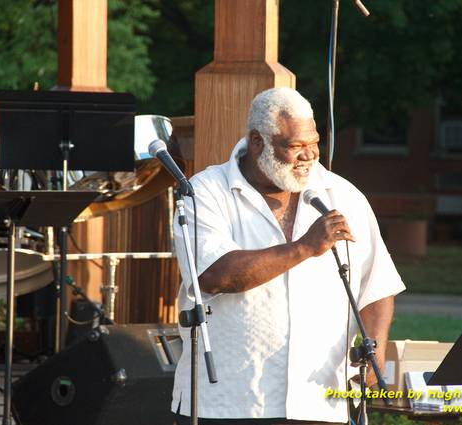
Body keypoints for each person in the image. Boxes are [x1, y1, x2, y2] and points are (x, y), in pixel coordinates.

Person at [172, 87, 405, 424]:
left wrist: (376, 349)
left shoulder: (344, 194)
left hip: (320, 399)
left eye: (313, 143)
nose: (309, 155)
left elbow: (376, 285)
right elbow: (214, 274)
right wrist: (303, 248)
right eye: (295, 146)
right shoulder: (206, 191)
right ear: (257, 142)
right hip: (229, 401)